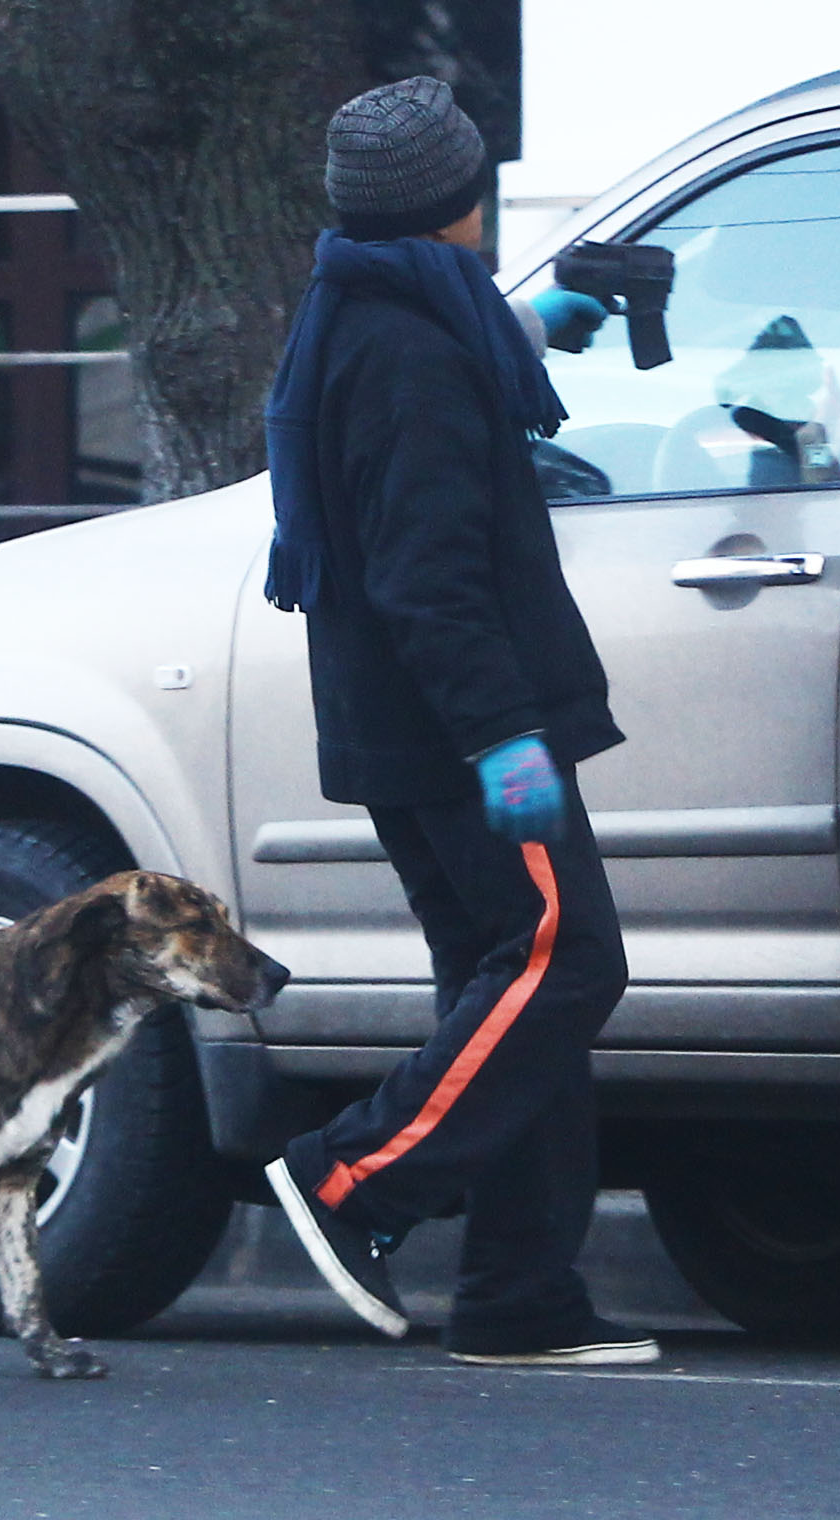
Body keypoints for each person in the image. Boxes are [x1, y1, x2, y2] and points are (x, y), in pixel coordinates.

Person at [250, 75, 655, 1366]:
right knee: (565, 962)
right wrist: (503, 740)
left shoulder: (370, 308)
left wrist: (540, 317)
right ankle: (348, 1179)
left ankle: (517, 1296)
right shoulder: (411, 356)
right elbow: (427, 577)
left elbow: (451, 356)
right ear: (462, 200)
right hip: (460, 735)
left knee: (510, 994)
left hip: (409, 726)